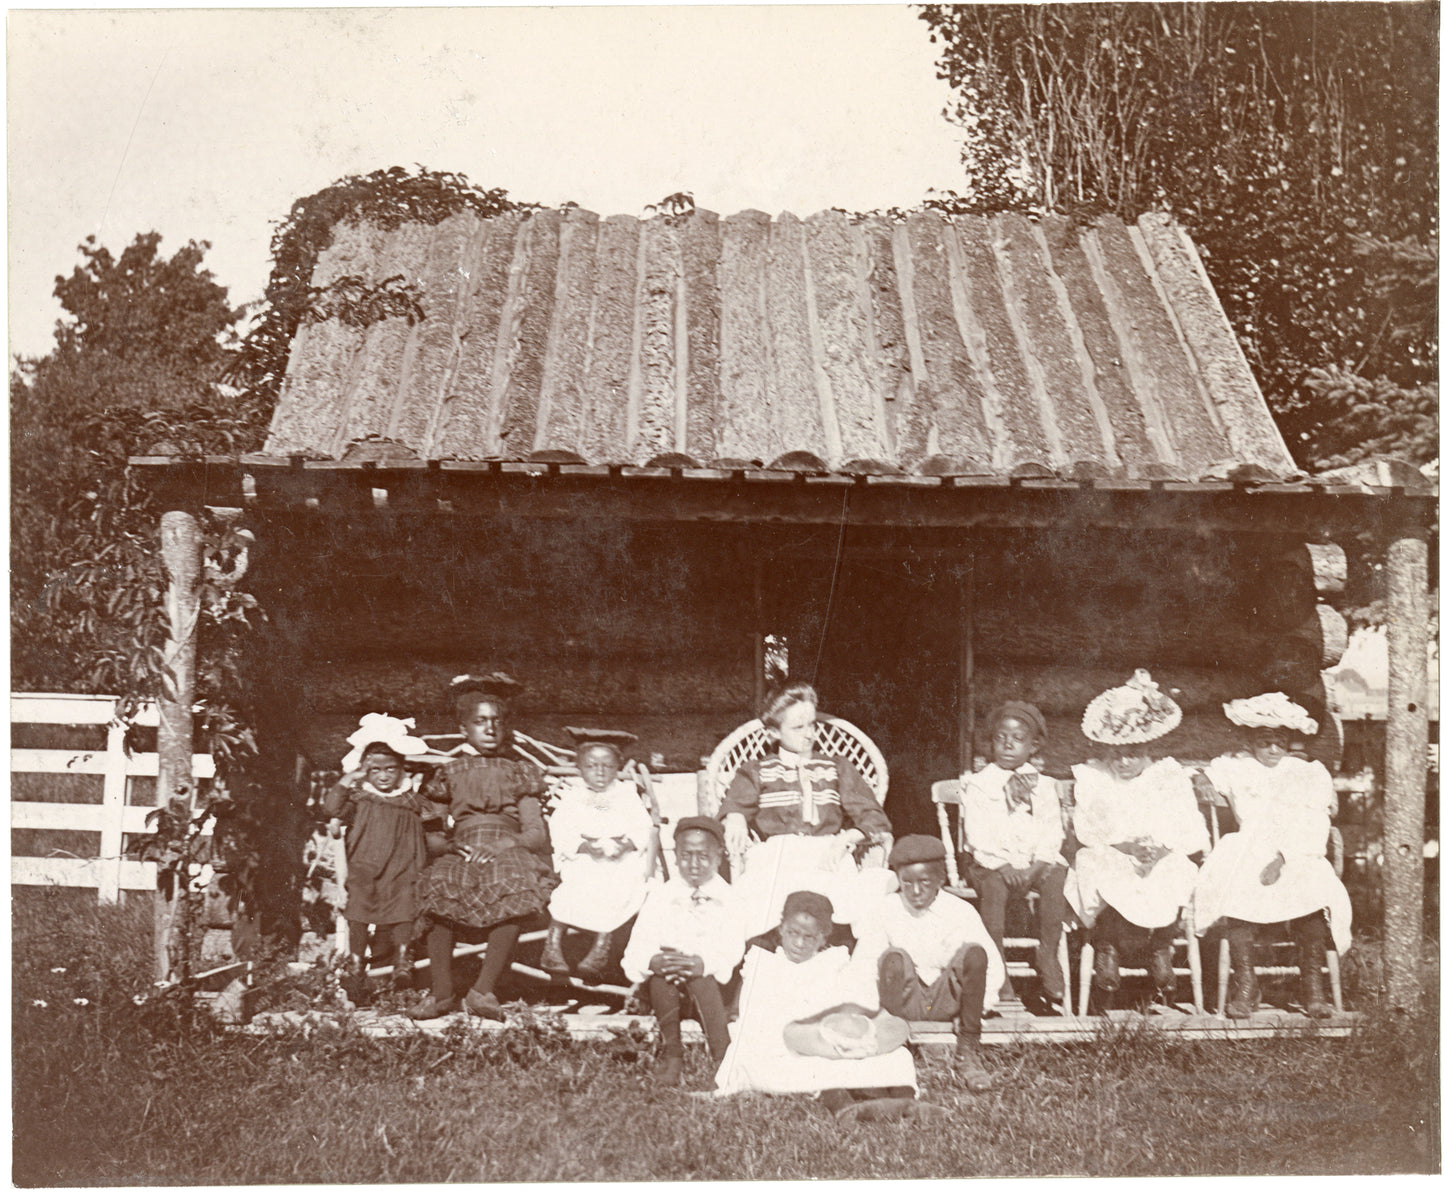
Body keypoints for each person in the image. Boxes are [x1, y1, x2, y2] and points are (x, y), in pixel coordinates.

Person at [714, 890, 947, 1125]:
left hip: (834, 1044)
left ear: (823, 938)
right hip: (782, 1050)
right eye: (793, 933)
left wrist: (850, 1037)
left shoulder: (833, 964)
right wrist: (814, 1041)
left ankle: (907, 1103)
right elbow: (757, 1026)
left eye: (809, 937)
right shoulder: (763, 965)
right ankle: (845, 1107)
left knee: (899, 1057)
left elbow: (856, 1009)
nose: (799, 943)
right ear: (781, 928)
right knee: (810, 1067)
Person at [1193, 692, 1353, 1019]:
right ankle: (1246, 984)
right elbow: (1201, 773)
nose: (1273, 750)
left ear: (1290, 741)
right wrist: (1202, 780)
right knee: (1235, 887)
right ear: (1250, 740)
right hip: (1248, 846)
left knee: (1310, 891)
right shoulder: (1237, 767)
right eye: (1265, 742)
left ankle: (1312, 987)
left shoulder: (1306, 772)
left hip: (1298, 849)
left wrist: (1282, 859)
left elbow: (1315, 821)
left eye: (1280, 742)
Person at [409, 674, 557, 1021]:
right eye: (480, 721)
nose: (490, 728)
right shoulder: (448, 772)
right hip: (462, 847)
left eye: (497, 721)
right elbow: (433, 832)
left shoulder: (520, 771)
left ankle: (482, 990)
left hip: (507, 846)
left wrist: (505, 843)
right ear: (464, 729)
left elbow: (536, 833)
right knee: (439, 884)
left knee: (515, 882)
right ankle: (442, 992)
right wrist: (451, 846)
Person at [1064, 669, 1208, 1011]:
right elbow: (1088, 830)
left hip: (1159, 852)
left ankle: (1161, 946)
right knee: (1099, 866)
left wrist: (1162, 849)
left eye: (1134, 752)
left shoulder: (1168, 777)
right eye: (1117, 752)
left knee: (1177, 869)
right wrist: (1123, 847)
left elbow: (1188, 826)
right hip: (1113, 850)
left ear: (1149, 749)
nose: (1124, 761)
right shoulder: (1096, 778)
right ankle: (1107, 947)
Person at [717, 683, 894, 936]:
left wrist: (847, 837)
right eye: (798, 728)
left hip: (827, 850)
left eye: (812, 724)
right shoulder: (757, 770)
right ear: (774, 733)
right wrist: (735, 816)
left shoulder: (836, 767)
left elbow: (874, 817)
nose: (809, 734)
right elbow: (735, 803)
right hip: (776, 855)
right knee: (763, 906)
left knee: (848, 901)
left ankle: (836, 948)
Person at [852, 836, 1005, 1093]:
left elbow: (993, 969)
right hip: (904, 1004)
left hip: (947, 1002)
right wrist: (870, 1010)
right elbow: (863, 965)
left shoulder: (960, 911)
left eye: (924, 882)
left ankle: (967, 1052)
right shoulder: (886, 909)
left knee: (975, 954)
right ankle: (890, 1051)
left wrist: (977, 1009)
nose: (915, 891)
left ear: (940, 879)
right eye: (906, 883)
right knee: (893, 958)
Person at [960, 700, 1069, 1014]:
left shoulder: (1044, 786)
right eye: (1000, 738)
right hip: (991, 864)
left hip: (1034, 863)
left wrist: (1036, 866)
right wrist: (1003, 865)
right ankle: (998, 969)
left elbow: (1052, 831)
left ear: (1033, 746)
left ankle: (1048, 953)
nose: (1008, 745)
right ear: (991, 742)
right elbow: (977, 835)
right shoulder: (979, 785)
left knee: (1057, 877)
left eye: (1018, 739)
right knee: (993, 889)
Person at [621, 816, 742, 1088]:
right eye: (686, 855)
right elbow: (638, 945)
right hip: (667, 994)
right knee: (661, 978)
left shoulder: (729, 899)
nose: (694, 864)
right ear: (675, 856)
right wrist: (654, 960)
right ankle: (672, 1055)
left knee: (700, 978)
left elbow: (732, 947)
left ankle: (722, 1056)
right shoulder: (663, 895)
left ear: (719, 856)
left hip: (713, 992)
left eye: (703, 856)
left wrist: (702, 964)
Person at [323, 713, 431, 1001]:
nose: (383, 776)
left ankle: (403, 960)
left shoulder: (410, 799)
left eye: (390, 769)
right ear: (365, 771)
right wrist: (348, 779)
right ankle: (356, 963)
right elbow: (332, 808)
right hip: (365, 866)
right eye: (375, 770)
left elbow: (434, 816)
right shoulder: (361, 797)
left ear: (401, 769)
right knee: (358, 908)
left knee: (406, 906)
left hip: (403, 866)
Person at [542, 728, 657, 980]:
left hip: (619, 858)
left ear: (617, 768)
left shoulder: (626, 795)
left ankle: (600, 948)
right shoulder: (573, 796)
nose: (600, 772)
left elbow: (643, 827)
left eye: (607, 766)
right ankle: (552, 946)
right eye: (592, 766)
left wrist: (627, 844)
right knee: (572, 889)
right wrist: (583, 847)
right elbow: (560, 829)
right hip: (585, 856)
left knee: (621, 888)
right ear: (580, 769)